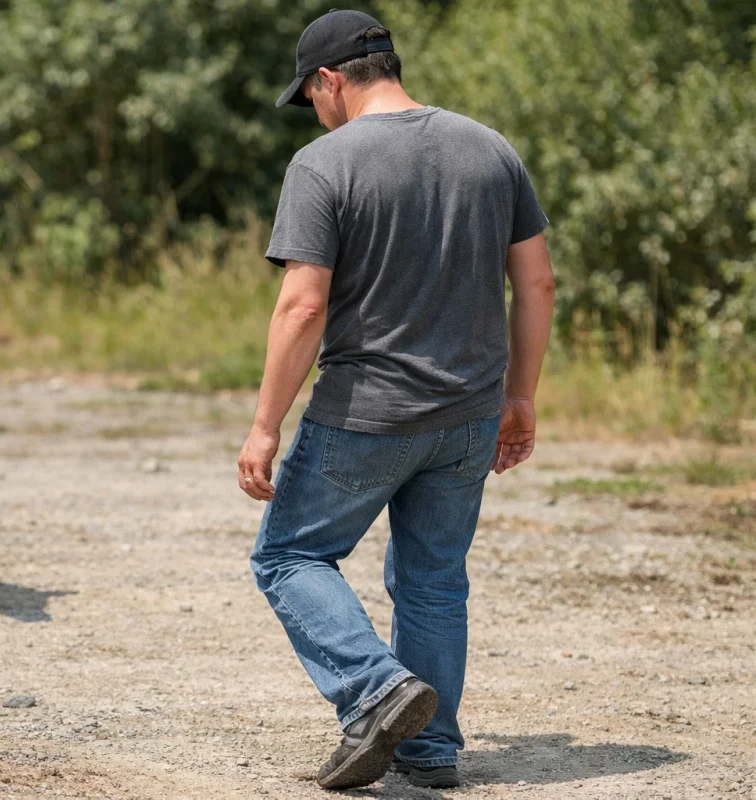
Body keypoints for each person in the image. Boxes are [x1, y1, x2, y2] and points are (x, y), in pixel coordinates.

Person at [237, 9, 555, 791]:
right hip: (469, 415)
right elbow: (538, 283)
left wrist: (264, 425)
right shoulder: (490, 150)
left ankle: (375, 689)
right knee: (434, 579)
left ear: (329, 80)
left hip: (366, 415)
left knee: (288, 555)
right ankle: (429, 749)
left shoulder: (323, 164)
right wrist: (521, 396)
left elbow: (302, 307)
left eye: (309, 97)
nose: (313, 112)